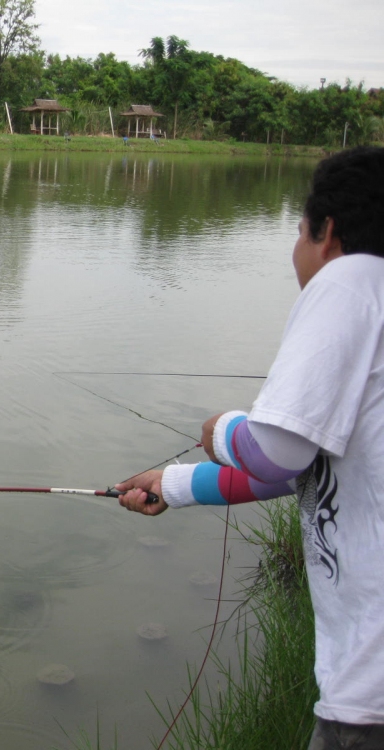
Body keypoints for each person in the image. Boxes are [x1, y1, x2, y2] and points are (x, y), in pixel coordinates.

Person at [116, 146, 384, 749]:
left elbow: (271, 455)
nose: (297, 252)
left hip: (371, 698)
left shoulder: (351, 278)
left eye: (297, 232)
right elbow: (301, 469)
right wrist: (175, 484)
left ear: (327, 232)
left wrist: (223, 430)